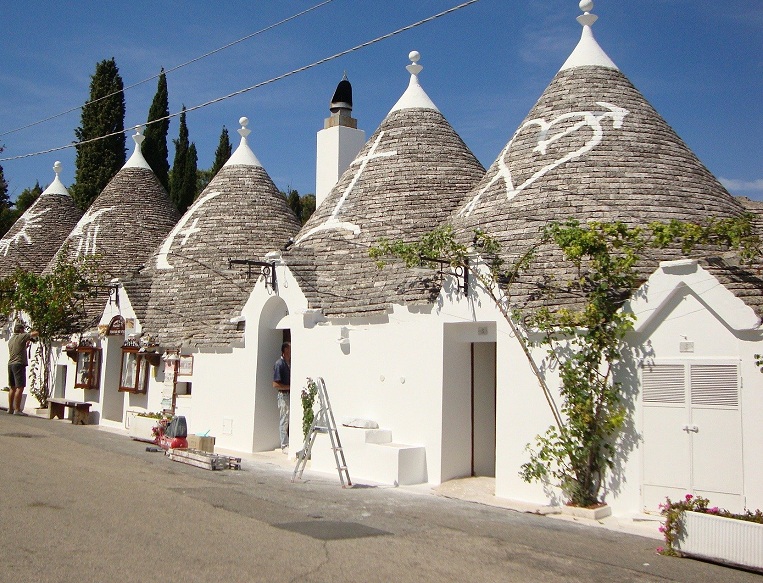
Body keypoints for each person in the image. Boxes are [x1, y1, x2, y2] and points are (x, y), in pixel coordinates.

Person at [7, 322, 39, 415]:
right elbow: (34, 334)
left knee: (12, 387)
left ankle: (10, 408)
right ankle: (17, 409)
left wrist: (26, 347)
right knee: (20, 387)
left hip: (11, 364)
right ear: (21, 330)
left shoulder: (11, 339)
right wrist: (38, 331)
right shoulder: (21, 336)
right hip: (19, 364)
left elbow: (18, 349)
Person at [272, 342, 291, 453]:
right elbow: (275, 384)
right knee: (284, 419)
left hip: (289, 395)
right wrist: (289, 387)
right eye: (288, 351)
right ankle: (284, 444)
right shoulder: (280, 364)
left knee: (288, 419)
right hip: (284, 395)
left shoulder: (289, 364)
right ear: (284, 352)